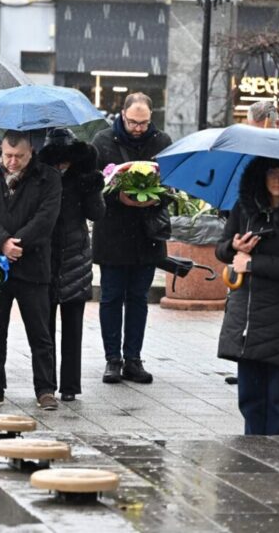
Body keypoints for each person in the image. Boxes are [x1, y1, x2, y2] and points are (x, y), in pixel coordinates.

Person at [216, 157, 279, 435]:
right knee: (250, 399)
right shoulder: (244, 208)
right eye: (272, 172)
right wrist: (233, 246)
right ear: (260, 176)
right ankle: (253, 461)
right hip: (247, 318)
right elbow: (222, 249)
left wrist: (252, 264)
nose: (277, 179)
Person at [0, 130, 62, 410]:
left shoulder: (48, 177)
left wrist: (17, 243)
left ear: (30, 152)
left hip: (32, 263)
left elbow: (47, 217)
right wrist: (2, 243)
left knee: (40, 332)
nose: (12, 162)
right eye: (7, 155)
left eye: (18, 156)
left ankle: (45, 389)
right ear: (0, 152)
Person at [91, 92, 172, 385]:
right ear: (122, 115)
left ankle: (134, 359)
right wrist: (118, 197)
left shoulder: (161, 142)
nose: (138, 128)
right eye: (133, 122)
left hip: (147, 233)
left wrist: (154, 198)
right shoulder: (102, 142)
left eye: (144, 123)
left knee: (138, 298)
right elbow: (91, 185)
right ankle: (113, 359)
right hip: (112, 231)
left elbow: (172, 187)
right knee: (111, 296)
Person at [38, 128, 105, 402]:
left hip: (75, 257)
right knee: (45, 329)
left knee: (73, 328)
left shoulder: (82, 179)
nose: (62, 165)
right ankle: (46, 385)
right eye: (57, 161)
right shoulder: (40, 180)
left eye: (66, 160)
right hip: (45, 257)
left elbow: (97, 213)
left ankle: (70, 386)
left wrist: (92, 186)